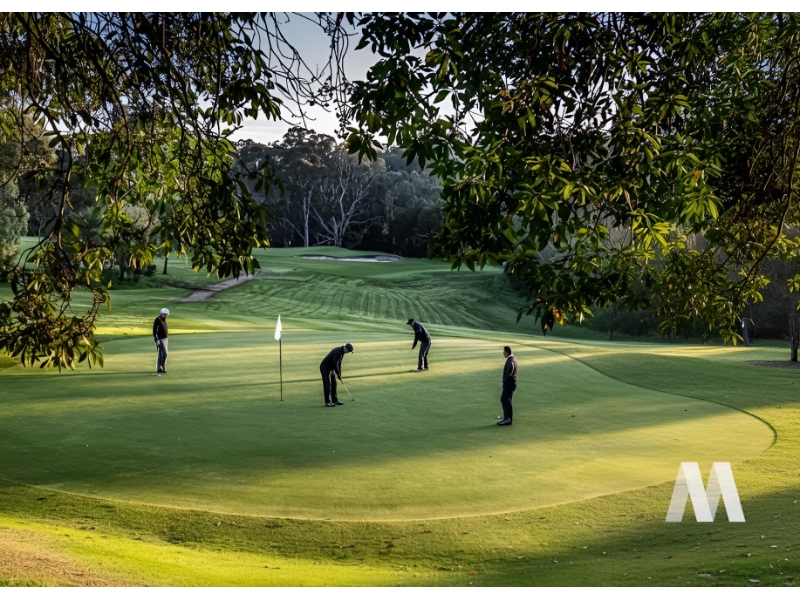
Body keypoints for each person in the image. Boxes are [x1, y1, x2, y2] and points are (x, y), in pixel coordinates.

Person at [497, 345, 517, 426]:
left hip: (509, 384)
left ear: (506, 352)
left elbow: (510, 372)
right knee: (505, 400)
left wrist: (506, 381)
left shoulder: (511, 360)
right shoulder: (512, 359)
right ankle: (507, 418)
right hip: (510, 383)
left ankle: (508, 419)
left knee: (505, 399)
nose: (503, 353)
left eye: (504, 352)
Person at [153, 308, 169, 374]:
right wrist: (156, 339)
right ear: (161, 313)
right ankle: (161, 366)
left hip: (165, 339)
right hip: (160, 339)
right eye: (164, 314)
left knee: (162, 354)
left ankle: (161, 368)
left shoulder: (164, 319)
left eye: (166, 314)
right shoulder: (157, 320)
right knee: (164, 353)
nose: (165, 316)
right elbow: (154, 330)